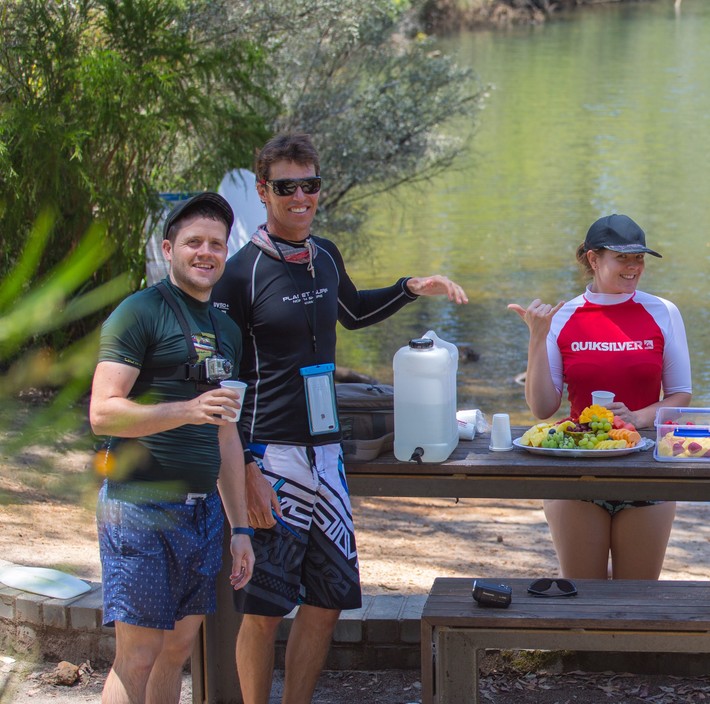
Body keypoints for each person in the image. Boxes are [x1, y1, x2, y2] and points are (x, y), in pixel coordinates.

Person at [211, 132, 468, 704]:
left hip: (326, 458)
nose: (301, 197)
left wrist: (409, 289)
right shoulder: (239, 274)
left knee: (327, 604)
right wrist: (247, 465)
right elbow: (225, 383)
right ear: (263, 191)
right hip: (270, 457)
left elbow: (351, 310)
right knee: (264, 612)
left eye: (311, 184)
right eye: (286, 187)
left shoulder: (324, 253)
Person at [89, 192, 255, 704]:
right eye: (194, 243)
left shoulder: (226, 329)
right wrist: (184, 410)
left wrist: (241, 526)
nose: (206, 253)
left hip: (202, 513)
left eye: (216, 245)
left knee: (178, 648)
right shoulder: (139, 312)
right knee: (137, 654)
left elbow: (226, 434)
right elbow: (102, 412)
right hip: (139, 506)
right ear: (168, 249)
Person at [508, 213, 692, 580]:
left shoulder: (663, 312)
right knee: (583, 595)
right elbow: (543, 408)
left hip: (647, 472)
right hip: (577, 472)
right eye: (622, 257)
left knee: (636, 599)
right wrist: (536, 338)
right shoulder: (562, 317)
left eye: (638, 258)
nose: (633, 267)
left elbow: (681, 395)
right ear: (593, 259)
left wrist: (638, 417)